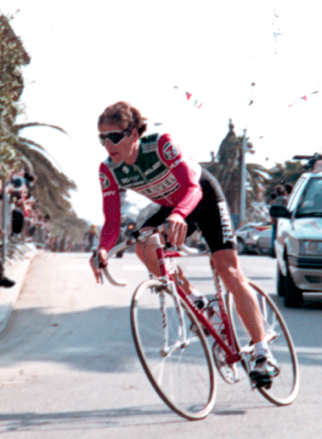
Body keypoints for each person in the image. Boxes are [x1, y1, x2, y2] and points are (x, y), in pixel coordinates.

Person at [89, 101, 279, 386]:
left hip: (202, 197)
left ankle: (263, 352)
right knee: (143, 246)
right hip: (172, 206)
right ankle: (196, 301)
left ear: (133, 134)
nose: (108, 144)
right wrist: (102, 249)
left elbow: (192, 188)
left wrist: (179, 215)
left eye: (114, 136)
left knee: (228, 271)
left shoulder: (161, 145)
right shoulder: (109, 170)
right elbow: (112, 221)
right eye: (102, 138)